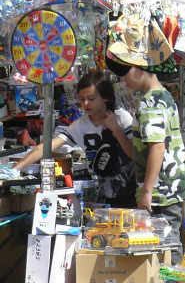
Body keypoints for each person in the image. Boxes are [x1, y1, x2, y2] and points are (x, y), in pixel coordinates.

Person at [105, 58, 185, 262]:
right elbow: (140, 152)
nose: (123, 82)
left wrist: (147, 192)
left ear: (138, 70)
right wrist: (117, 130)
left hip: (161, 191)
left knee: (166, 247)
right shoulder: (163, 96)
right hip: (168, 188)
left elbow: (157, 148)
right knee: (167, 243)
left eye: (125, 75)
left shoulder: (149, 103)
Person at [15, 71, 136, 207]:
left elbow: (134, 154)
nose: (85, 103)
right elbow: (45, 147)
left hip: (132, 193)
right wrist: (15, 170)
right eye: (82, 99)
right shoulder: (80, 125)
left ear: (105, 98)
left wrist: (116, 130)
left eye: (91, 98)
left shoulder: (122, 118)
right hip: (105, 197)